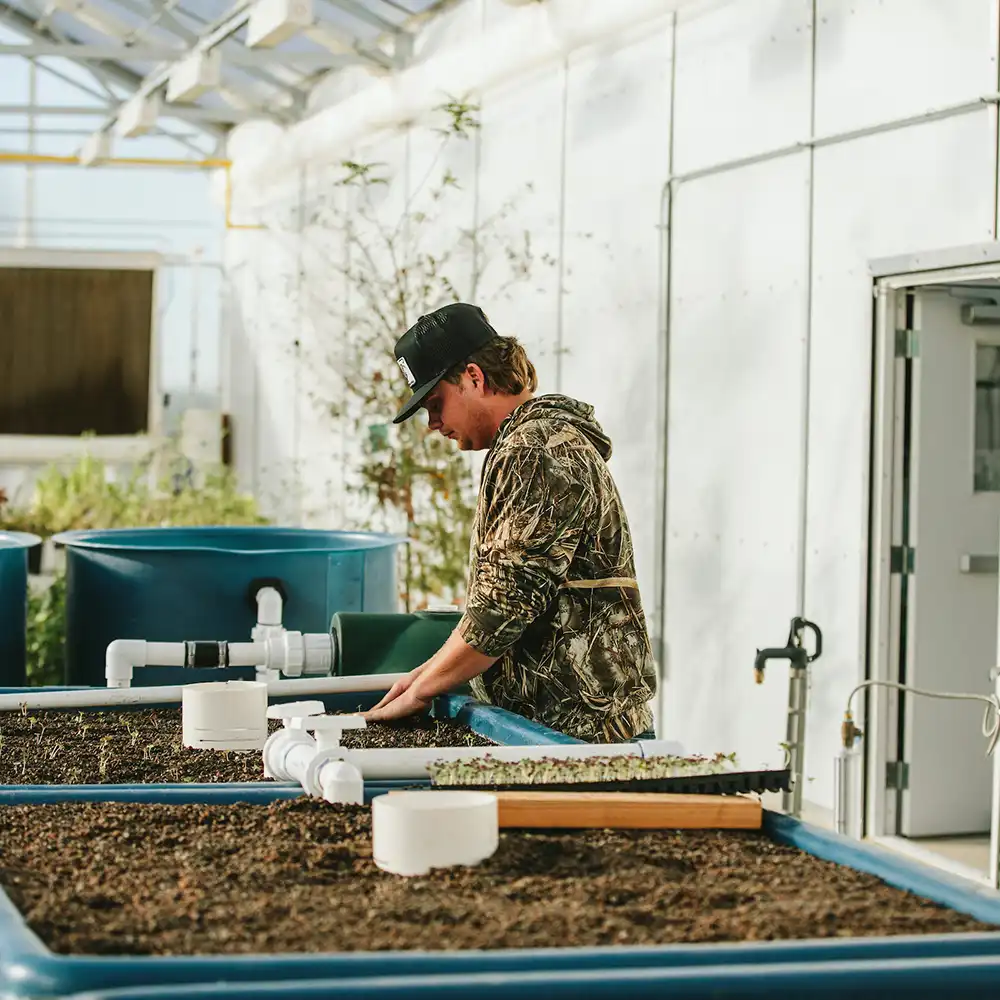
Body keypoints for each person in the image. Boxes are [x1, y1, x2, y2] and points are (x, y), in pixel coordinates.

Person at [362, 302, 656, 742]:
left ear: (474, 379)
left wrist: (420, 691)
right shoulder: (534, 443)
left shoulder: (536, 450)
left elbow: (502, 608)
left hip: (581, 743)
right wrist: (421, 675)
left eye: (436, 402)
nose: (433, 423)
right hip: (561, 734)